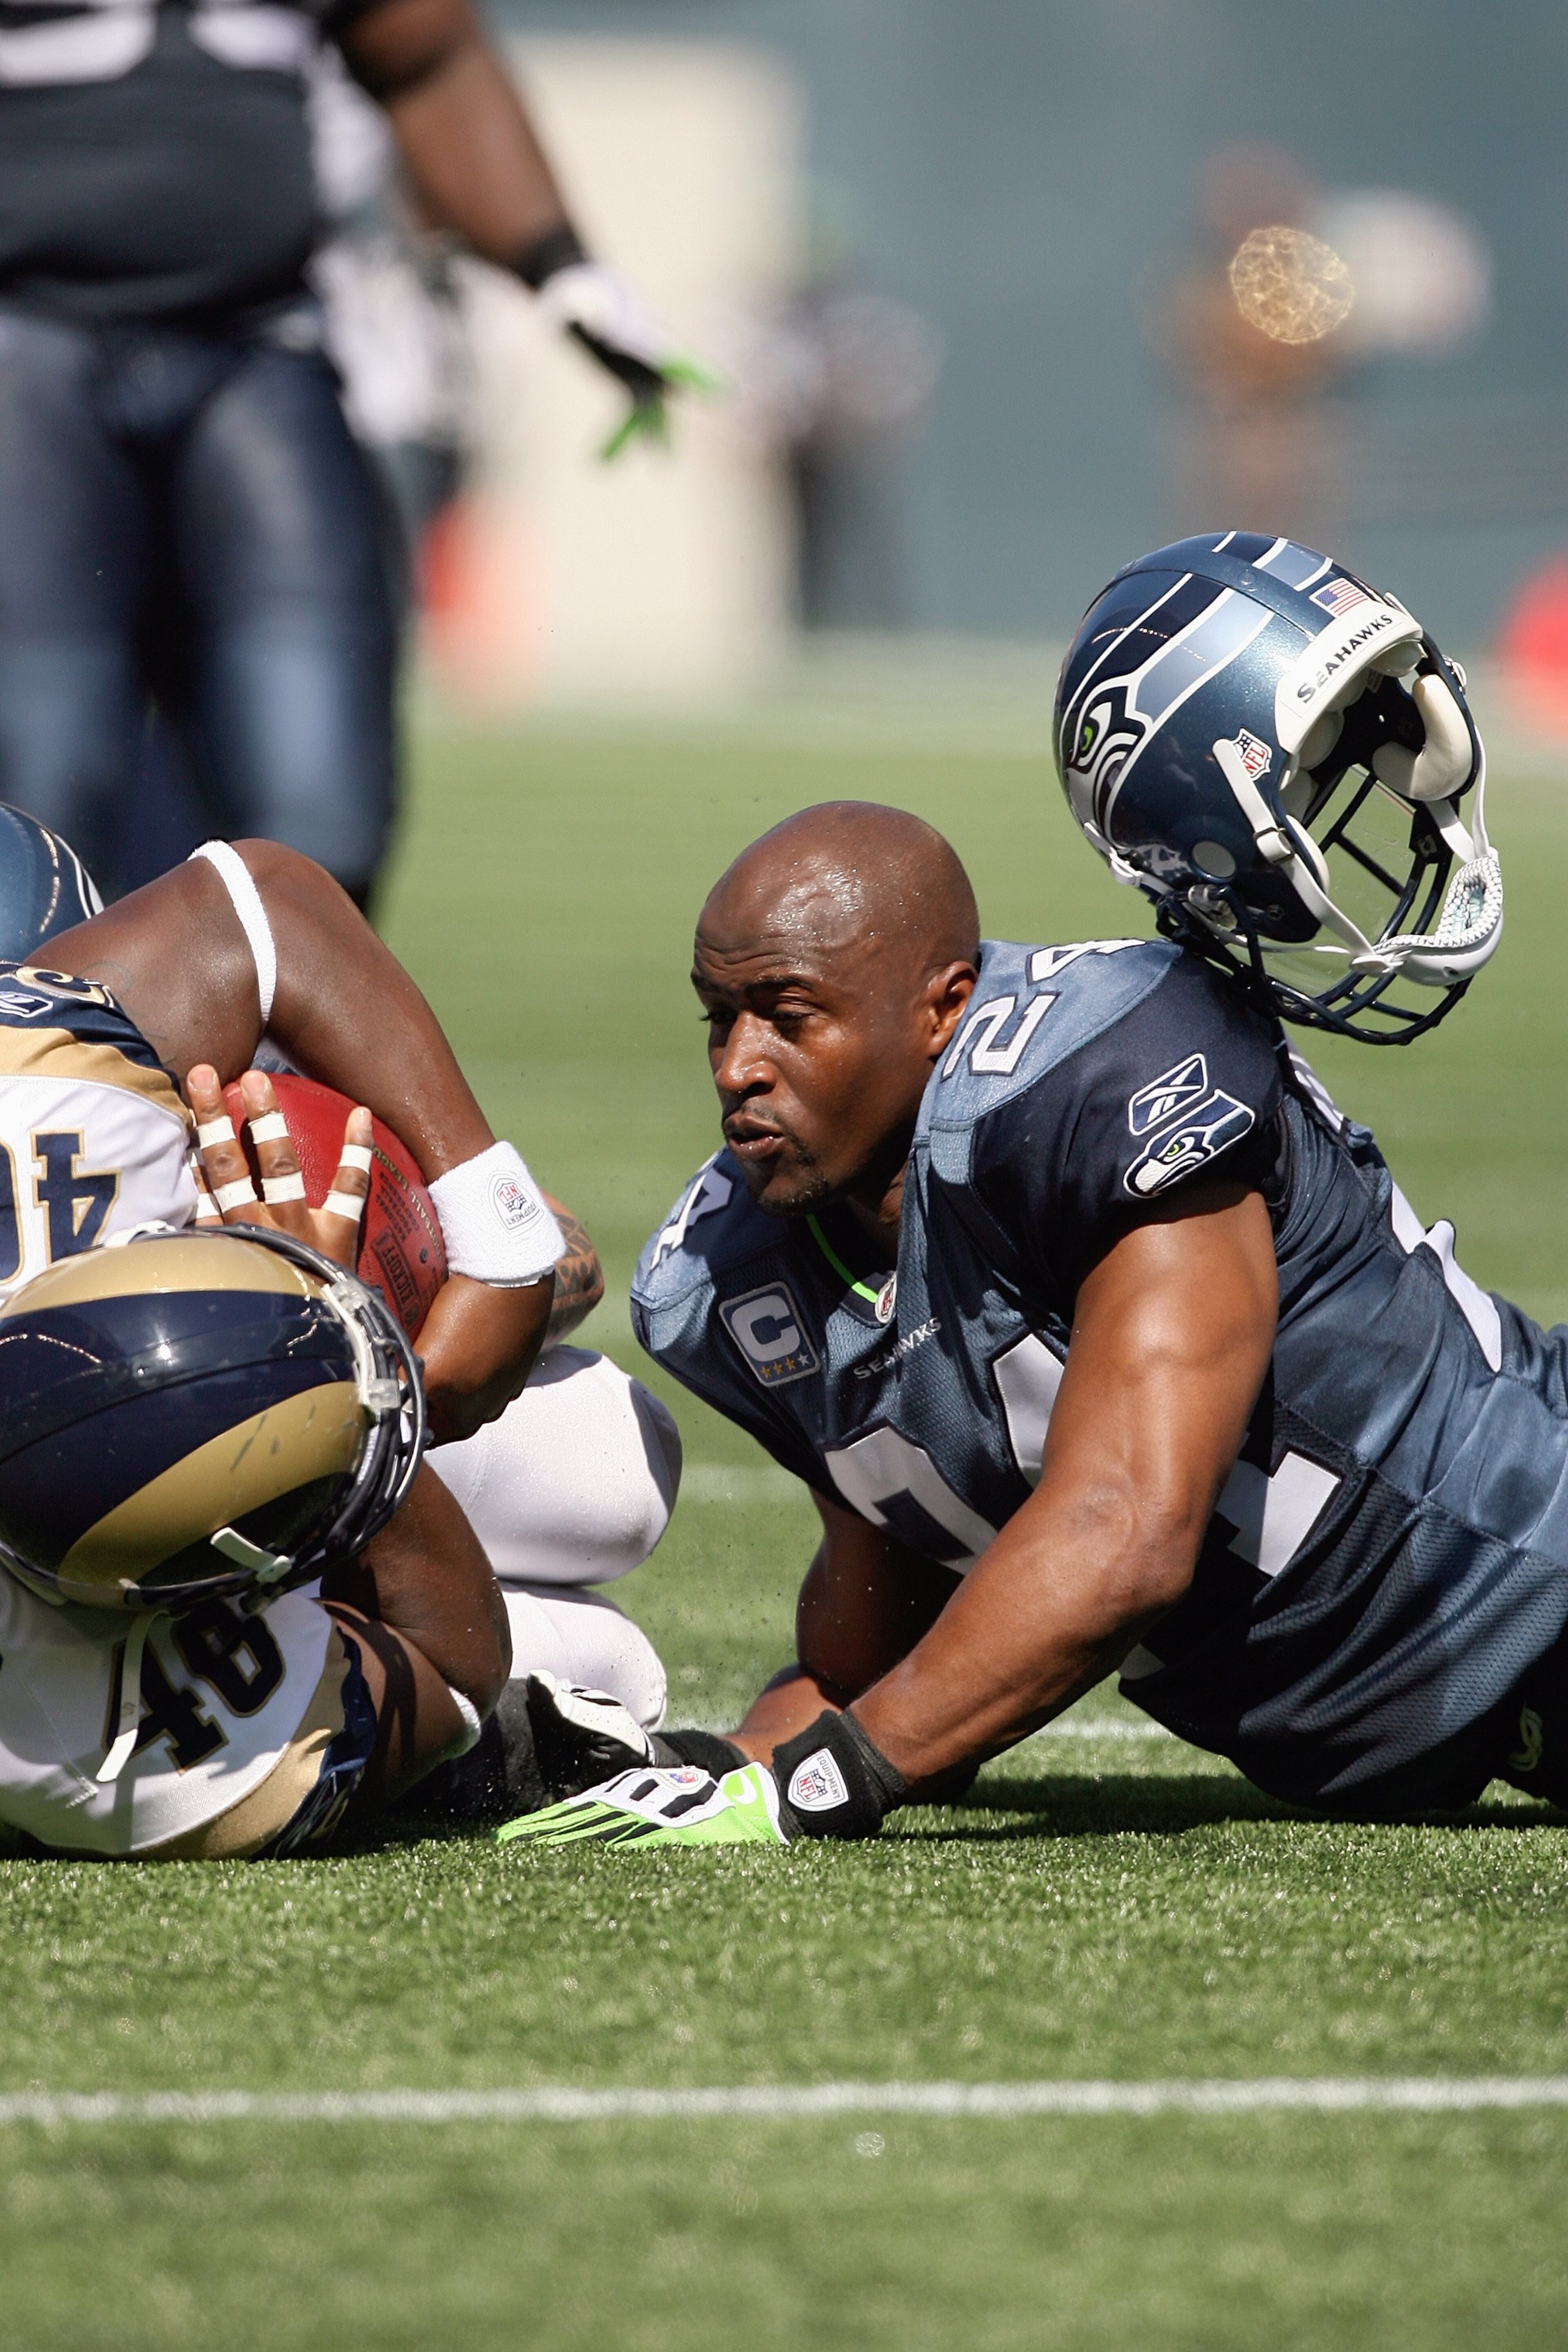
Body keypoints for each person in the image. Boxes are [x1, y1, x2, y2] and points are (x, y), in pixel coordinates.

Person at [498, 535, 1568, 1852]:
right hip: (1460, 1700)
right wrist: (708, 1767)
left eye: (787, 1018)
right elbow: (879, 1653)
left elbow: (1126, 1531)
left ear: (945, 1011)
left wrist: (826, 1787)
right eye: (719, 1019)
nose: (737, 1069)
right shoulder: (738, 1275)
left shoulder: (1105, 1069)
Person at [0, 822, 676, 1853]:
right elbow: (453, 1661)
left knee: (617, 1467)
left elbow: (262, 908)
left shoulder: (44, 1093)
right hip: (272, 1501)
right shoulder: (90, 1758)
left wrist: (496, 1240)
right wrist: (328, 1341)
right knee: (610, 1527)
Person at [0, 0, 702, 903]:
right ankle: (34, 1040)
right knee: (37, 783)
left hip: (257, 340)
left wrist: (559, 262)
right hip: (25, 344)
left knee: (321, 810)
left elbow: (428, 57)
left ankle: (272, 1040)